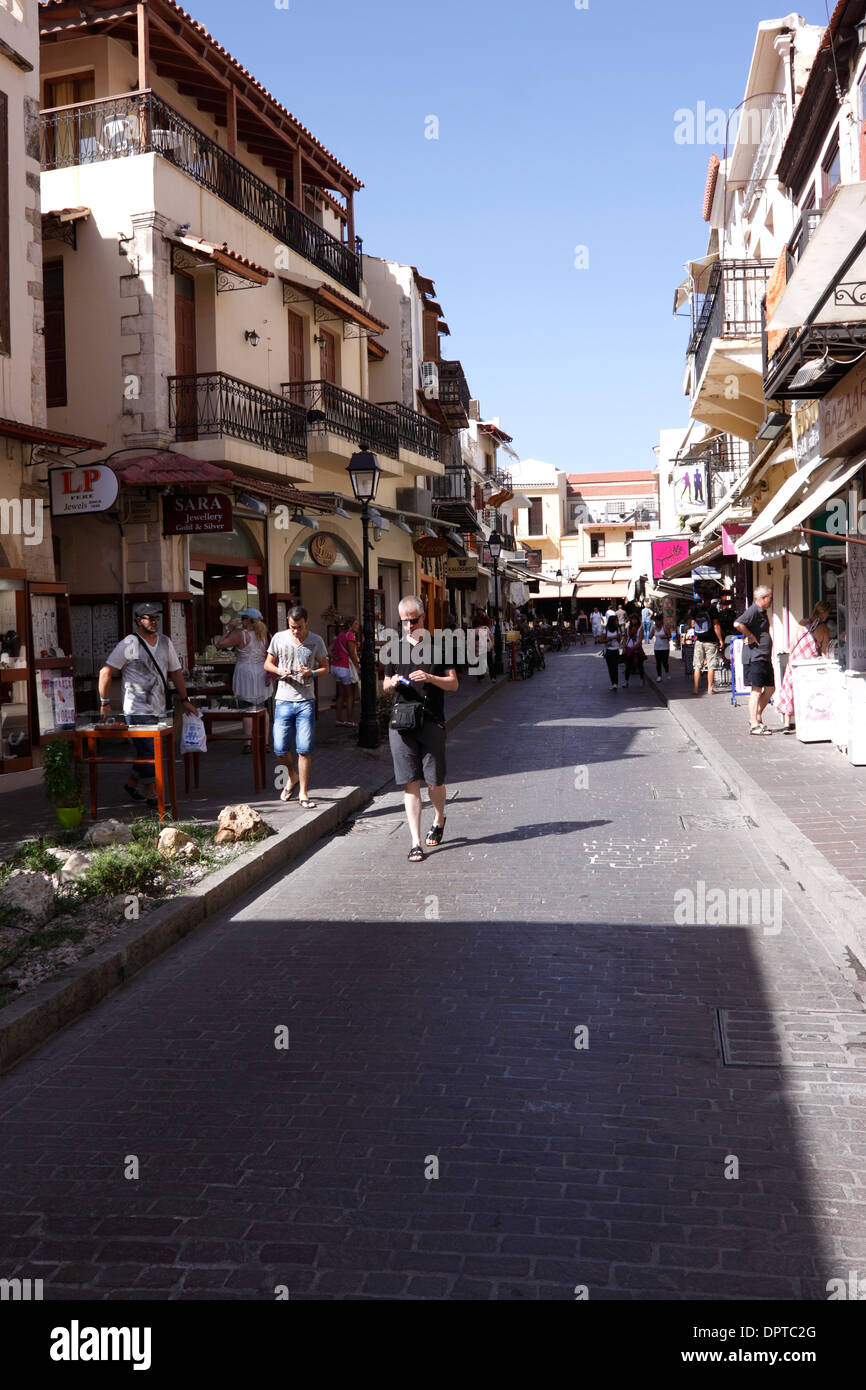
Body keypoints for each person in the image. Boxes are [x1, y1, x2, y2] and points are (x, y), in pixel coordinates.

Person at [99, 601, 197, 807]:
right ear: (138, 620)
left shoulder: (165, 642)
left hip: (159, 707)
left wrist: (185, 700)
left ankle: (132, 783)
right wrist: (105, 703)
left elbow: (176, 672)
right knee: (150, 751)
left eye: (156, 618)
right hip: (136, 708)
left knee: (149, 751)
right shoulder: (128, 643)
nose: (154, 621)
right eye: (149, 618)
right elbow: (105, 672)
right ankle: (153, 795)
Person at [384, 595, 458, 863]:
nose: (409, 627)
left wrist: (429, 677)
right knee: (410, 782)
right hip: (402, 724)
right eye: (404, 622)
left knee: (434, 782)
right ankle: (415, 842)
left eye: (414, 621)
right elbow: (383, 684)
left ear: (423, 618)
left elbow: (453, 684)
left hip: (431, 722)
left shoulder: (439, 647)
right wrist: (391, 682)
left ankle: (439, 817)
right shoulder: (393, 649)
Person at [264, 605, 329, 808]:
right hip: (283, 699)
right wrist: (278, 669)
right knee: (280, 748)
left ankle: (303, 793)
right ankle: (292, 776)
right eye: (292, 627)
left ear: (306, 622)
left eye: (299, 627)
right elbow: (267, 664)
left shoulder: (316, 640)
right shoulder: (279, 638)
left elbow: (326, 668)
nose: (295, 631)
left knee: (304, 749)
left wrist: (311, 673)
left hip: (306, 701)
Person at [213, 607, 269, 753]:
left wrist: (228, 629)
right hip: (261, 671)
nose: (241, 621)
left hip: (245, 672)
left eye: (243, 618)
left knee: (247, 707)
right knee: (263, 707)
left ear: (248, 621)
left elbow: (219, 644)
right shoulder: (265, 635)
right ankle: (266, 742)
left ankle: (248, 743)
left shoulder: (241, 635)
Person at [774, 601, 832, 732]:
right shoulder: (824, 630)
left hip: (795, 659)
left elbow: (793, 642)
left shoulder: (802, 622)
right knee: (806, 691)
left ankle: (787, 722)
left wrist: (790, 657)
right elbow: (824, 652)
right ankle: (804, 719)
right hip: (809, 663)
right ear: (826, 613)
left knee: (789, 688)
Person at [734, 586, 775, 736]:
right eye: (770, 597)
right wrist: (750, 635)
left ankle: (757, 716)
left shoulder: (762, 612)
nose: (772, 600)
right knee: (756, 691)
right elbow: (737, 624)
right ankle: (754, 724)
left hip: (764, 656)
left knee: (770, 689)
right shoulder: (754, 610)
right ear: (763, 598)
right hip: (755, 657)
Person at [691, 591, 724, 696]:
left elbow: (692, 624)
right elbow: (716, 626)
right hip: (711, 642)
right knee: (711, 665)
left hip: (699, 641)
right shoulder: (713, 610)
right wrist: (720, 639)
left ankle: (695, 689)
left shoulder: (696, 609)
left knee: (697, 665)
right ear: (710, 599)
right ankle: (709, 688)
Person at [331, 617, 360, 726]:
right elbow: (353, 654)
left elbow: (330, 650)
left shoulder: (339, 636)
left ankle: (338, 719)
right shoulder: (350, 635)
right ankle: (349, 720)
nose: (357, 626)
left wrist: (335, 656)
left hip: (335, 667)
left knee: (340, 694)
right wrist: (358, 668)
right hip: (345, 667)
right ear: (350, 625)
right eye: (356, 624)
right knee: (350, 695)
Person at [622, 614, 647, 688]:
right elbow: (625, 638)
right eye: (632, 619)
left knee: (640, 665)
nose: (633, 621)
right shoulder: (628, 628)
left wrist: (633, 647)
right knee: (628, 666)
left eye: (635, 619)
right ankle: (626, 682)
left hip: (637, 649)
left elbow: (640, 640)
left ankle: (642, 679)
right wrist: (624, 647)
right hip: (629, 648)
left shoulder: (640, 628)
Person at [651, 612, 674, 680]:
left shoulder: (665, 627)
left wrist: (665, 636)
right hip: (657, 647)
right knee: (658, 662)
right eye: (655, 621)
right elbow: (650, 636)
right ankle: (659, 676)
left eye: (657, 621)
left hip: (665, 647)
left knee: (665, 662)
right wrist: (650, 635)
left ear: (661, 621)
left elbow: (670, 636)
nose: (656, 623)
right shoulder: (654, 628)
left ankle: (667, 672)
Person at [472, 611, 494, 681]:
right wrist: (492, 645)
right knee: (490, 662)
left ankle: (480, 677)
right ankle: (493, 677)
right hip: (487, 647)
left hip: (479, 648)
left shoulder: (474, 630)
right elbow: (490, 637)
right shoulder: (485, 628)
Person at [603, 614, 622, 692]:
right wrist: (608, 640)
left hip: (616, 650)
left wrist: (616, 638)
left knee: (615, 667)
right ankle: (613, 683)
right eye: (616, 621)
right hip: (608, 650)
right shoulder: (606, 629)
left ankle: (615, 684)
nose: (617, 622)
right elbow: (601, 640)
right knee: (610, 668)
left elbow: (619, 640)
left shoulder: (618, 629)